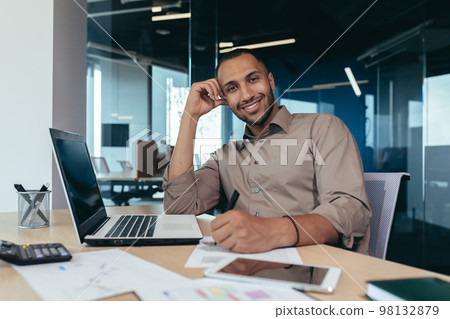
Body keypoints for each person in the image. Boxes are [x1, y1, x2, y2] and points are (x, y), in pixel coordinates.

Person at [162, 49, 371, 254]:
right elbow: (179, 210)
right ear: (224, 99)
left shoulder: (322, 128)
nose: (246, 95)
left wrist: (270, 231)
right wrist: (190, 115)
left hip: (312, 270)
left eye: (253, 79)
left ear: (270, 81)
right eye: (233, 88)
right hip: (244, 269)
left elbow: (351, 211)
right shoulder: (226, 157)